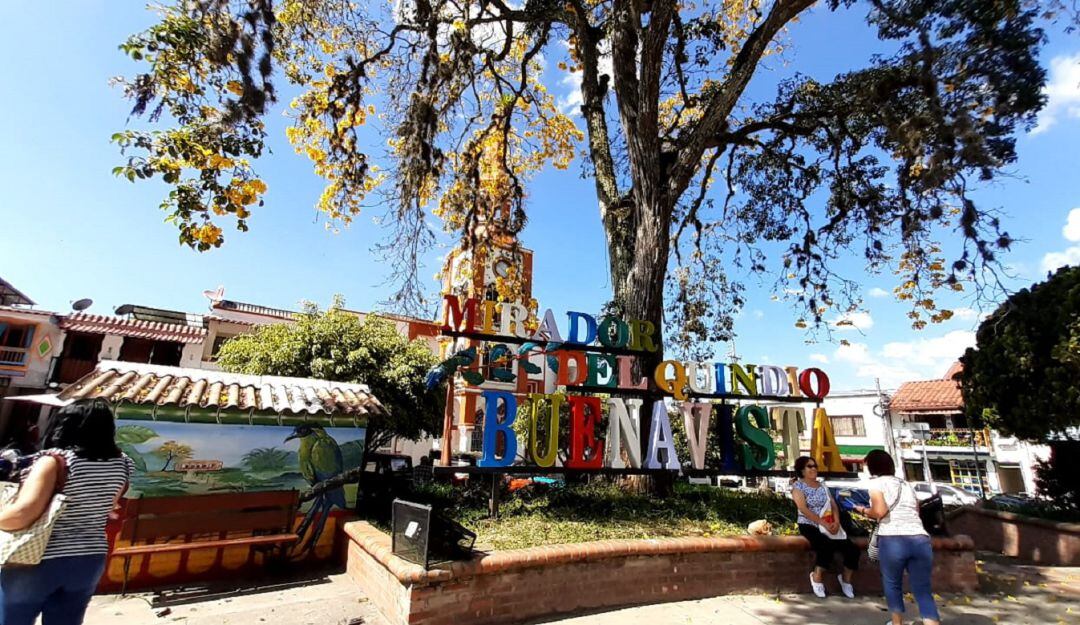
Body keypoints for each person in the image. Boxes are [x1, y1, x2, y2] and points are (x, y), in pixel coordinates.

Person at [0, 400, 132, 625]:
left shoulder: (55, 461)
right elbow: (110, 506)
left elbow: (22, 514)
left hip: (36, 558)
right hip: (89, 559)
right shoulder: (123, 464)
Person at [854, 449, 940, 625]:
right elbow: (916, 510)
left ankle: (897, 622)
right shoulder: (906, 485)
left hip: (892, 538)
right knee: (923, 589)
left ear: (872, 467)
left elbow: (879, 511)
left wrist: (862, 510)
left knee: (892, 584)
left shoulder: (877, 484)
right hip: (919, 538)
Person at [790, 455, 860, 598]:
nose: (813, 469)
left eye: (815, 466)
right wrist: (823, 523)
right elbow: (803, 509)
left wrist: (836, 522)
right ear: (802, 470)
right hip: (809, 524)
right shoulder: (798, 487)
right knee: (826, 546)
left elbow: (832, 504)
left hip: (830, 523)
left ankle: (846, 579)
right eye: (809, 466)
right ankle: (817, 576)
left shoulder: (822, 485)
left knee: (852, 550)